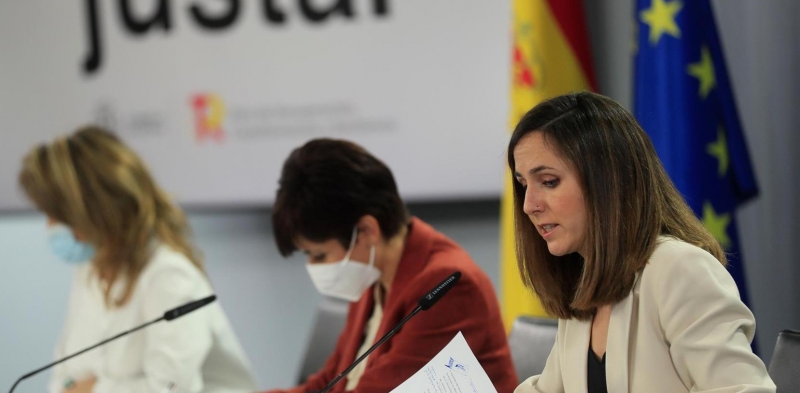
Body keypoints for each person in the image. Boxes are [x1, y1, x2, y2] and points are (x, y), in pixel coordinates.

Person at [508, 92, 775, 392]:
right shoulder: (585, 282)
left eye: (549, 182)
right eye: (523, 185)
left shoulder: (679, 269)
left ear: (606, 182)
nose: (528, 205)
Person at [266, 138, 518, 393]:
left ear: (366, 230)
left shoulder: (446, 288)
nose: (312, 266)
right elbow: (330, 382)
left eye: (319, 255)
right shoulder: (372, 274)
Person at [18, 126, 257, 393]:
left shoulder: (169, 275)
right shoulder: (90, 269)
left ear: (95, 211)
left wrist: (96, 390)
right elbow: (65, 375)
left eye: (58, 215)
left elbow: (173, 389)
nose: (50, 226)